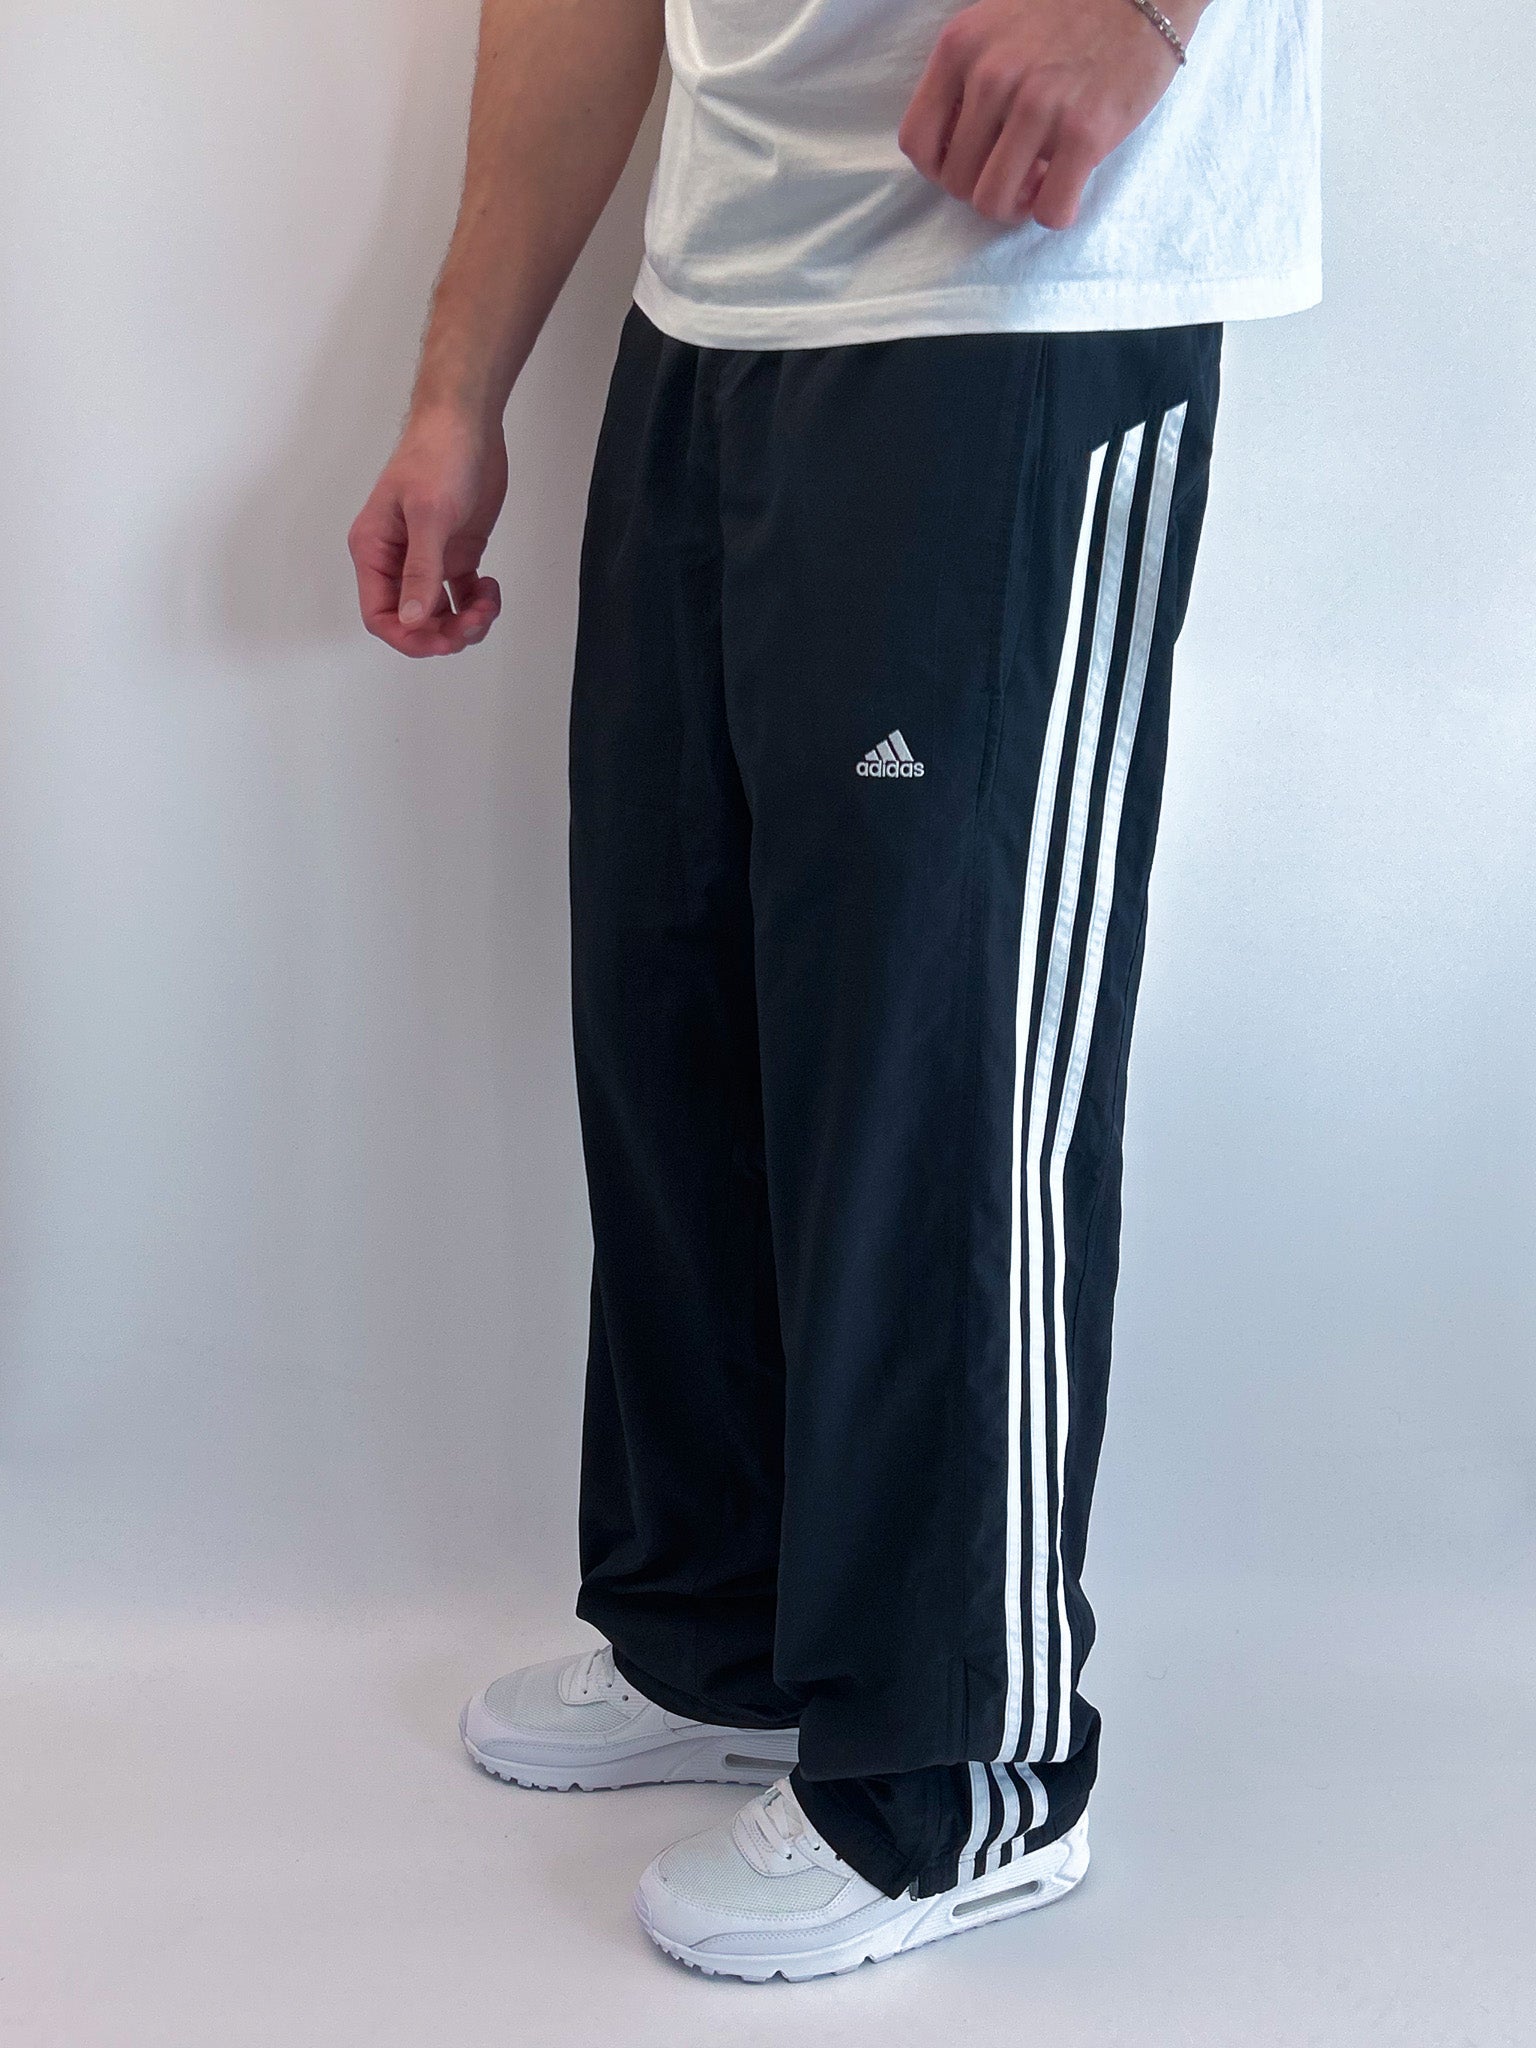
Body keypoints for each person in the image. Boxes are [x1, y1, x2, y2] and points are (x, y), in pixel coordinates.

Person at [348, 0, 1320, 1981]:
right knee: (675, 1008)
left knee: (939, 1065)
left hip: (1019, 285)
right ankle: (721, 1631)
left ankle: (958, 1764)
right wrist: (460, 387)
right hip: (719, 291)